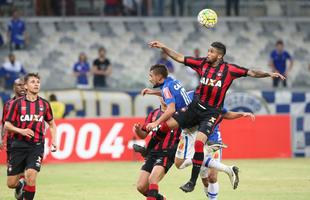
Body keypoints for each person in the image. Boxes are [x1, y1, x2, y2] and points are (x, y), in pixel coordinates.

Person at [147, 40, 285, 192]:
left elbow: (251, 72)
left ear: (219, 56)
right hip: (194, 107)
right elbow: (180, 58)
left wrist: (269, 74)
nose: (208, 54)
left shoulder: (230, 70)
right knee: (166, 126)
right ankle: (148, 151)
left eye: (211, 52)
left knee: (198, 144)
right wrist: (164, 47)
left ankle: (192, 182)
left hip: (211, 113)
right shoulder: (202, 64)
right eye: (208, 51)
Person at [175, 91, 255, 199]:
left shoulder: (215, 101)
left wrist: (241, 114)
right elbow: (175, 100)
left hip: (213, 139)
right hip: (198, 140)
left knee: (212, 177)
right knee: (205, 180)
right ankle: (228, 169)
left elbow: (225, 114)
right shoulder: (190, 96)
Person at [4, 73, 57, 200]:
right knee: (11, 183)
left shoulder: (44, 104)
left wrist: (54, 141)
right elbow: (7, 125)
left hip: (36, 145)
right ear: (26, 86)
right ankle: (20, 184)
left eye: (38, 82)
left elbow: (52, 124)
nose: (36, 84)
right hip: (18, 145)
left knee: (31, 175)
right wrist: (21, 131)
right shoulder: (16, 104)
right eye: (33, 82)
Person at [137, 64, 190, 156]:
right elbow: (169, 93)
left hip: (187, 117)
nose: (150, 79)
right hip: (189, 112)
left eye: (151, 76)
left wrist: (156, 123)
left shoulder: (166, 88)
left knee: (182, 159)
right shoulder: (172, 81)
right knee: (164, 128)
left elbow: (171, 109)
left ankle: (149, 150)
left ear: (159, 77)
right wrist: (152, 92)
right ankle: (148, 150)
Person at [134, 97, 181, 200]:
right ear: (159, 98)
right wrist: (137, 130)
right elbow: (143, 135)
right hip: (152, 153)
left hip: (167, 153)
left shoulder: (178, 113)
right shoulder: (153, 114)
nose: (164, 98)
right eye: (162, 96)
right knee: (141, 187)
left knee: (153, 179)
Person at [0, 78, 25, 200]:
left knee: (27, 170)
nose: (21, 87)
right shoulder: (8, 104)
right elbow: (3, 123)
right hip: (12, 142)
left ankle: (25, 190)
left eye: (22, 85)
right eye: (18, 85)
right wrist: (1, 138)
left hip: (28, 142)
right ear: (14, 87)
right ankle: (19, 185)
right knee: (12, 181)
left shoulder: (33, 102)